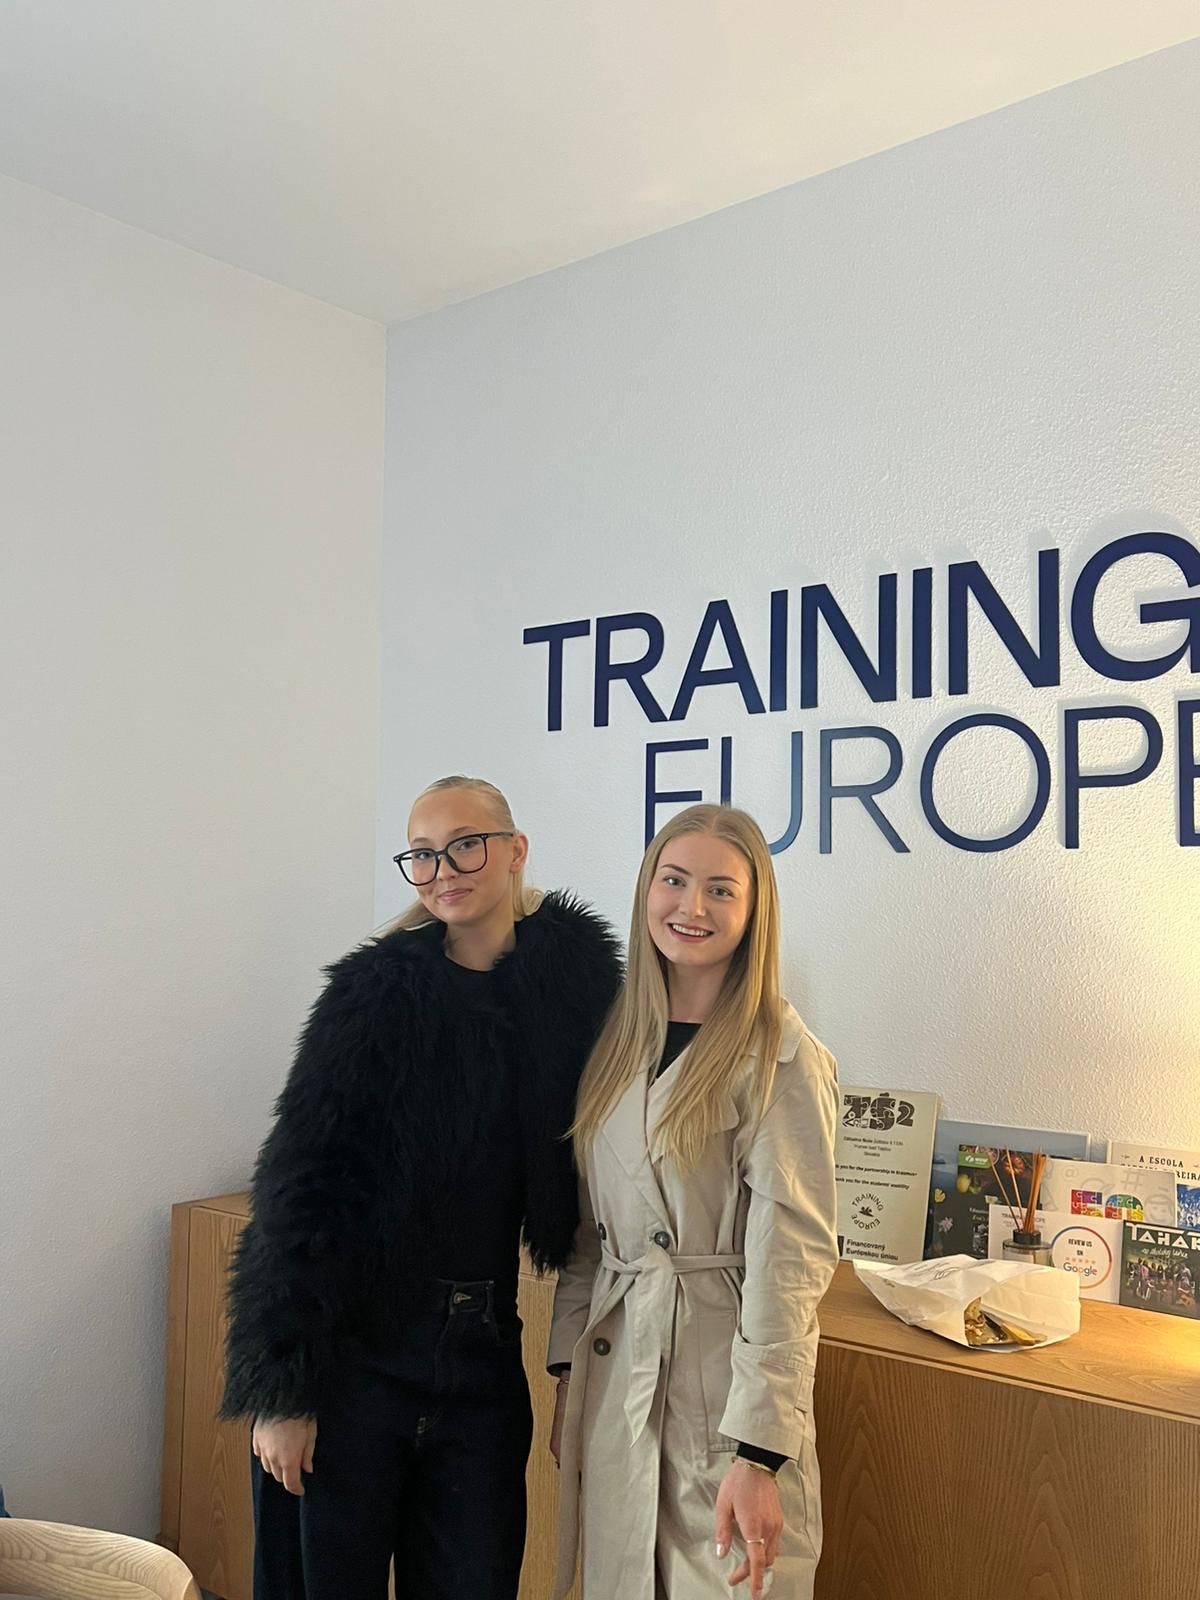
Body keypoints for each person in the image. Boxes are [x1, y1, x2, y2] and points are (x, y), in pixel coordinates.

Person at [220, 775, 622, 1600]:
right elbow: (298, 1192)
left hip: (484, 1354)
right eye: (424, 854)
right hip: (356, 1352)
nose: (444, 870)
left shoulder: (577, 994)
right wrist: (281, 1391)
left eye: (465, 845)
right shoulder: (371, 999)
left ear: (515, 850)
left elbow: (612, 1170)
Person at [548, 804, 839, 1600]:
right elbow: (591, 1234)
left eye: (720, 890)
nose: (692, 907)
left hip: (723, 1390)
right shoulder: (615, 1042)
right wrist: (570, 1371)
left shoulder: (781, 1056)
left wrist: (760, 1452)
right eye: (674, 881)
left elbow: (792, 1265)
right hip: (617, 1379)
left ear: (753, 912)